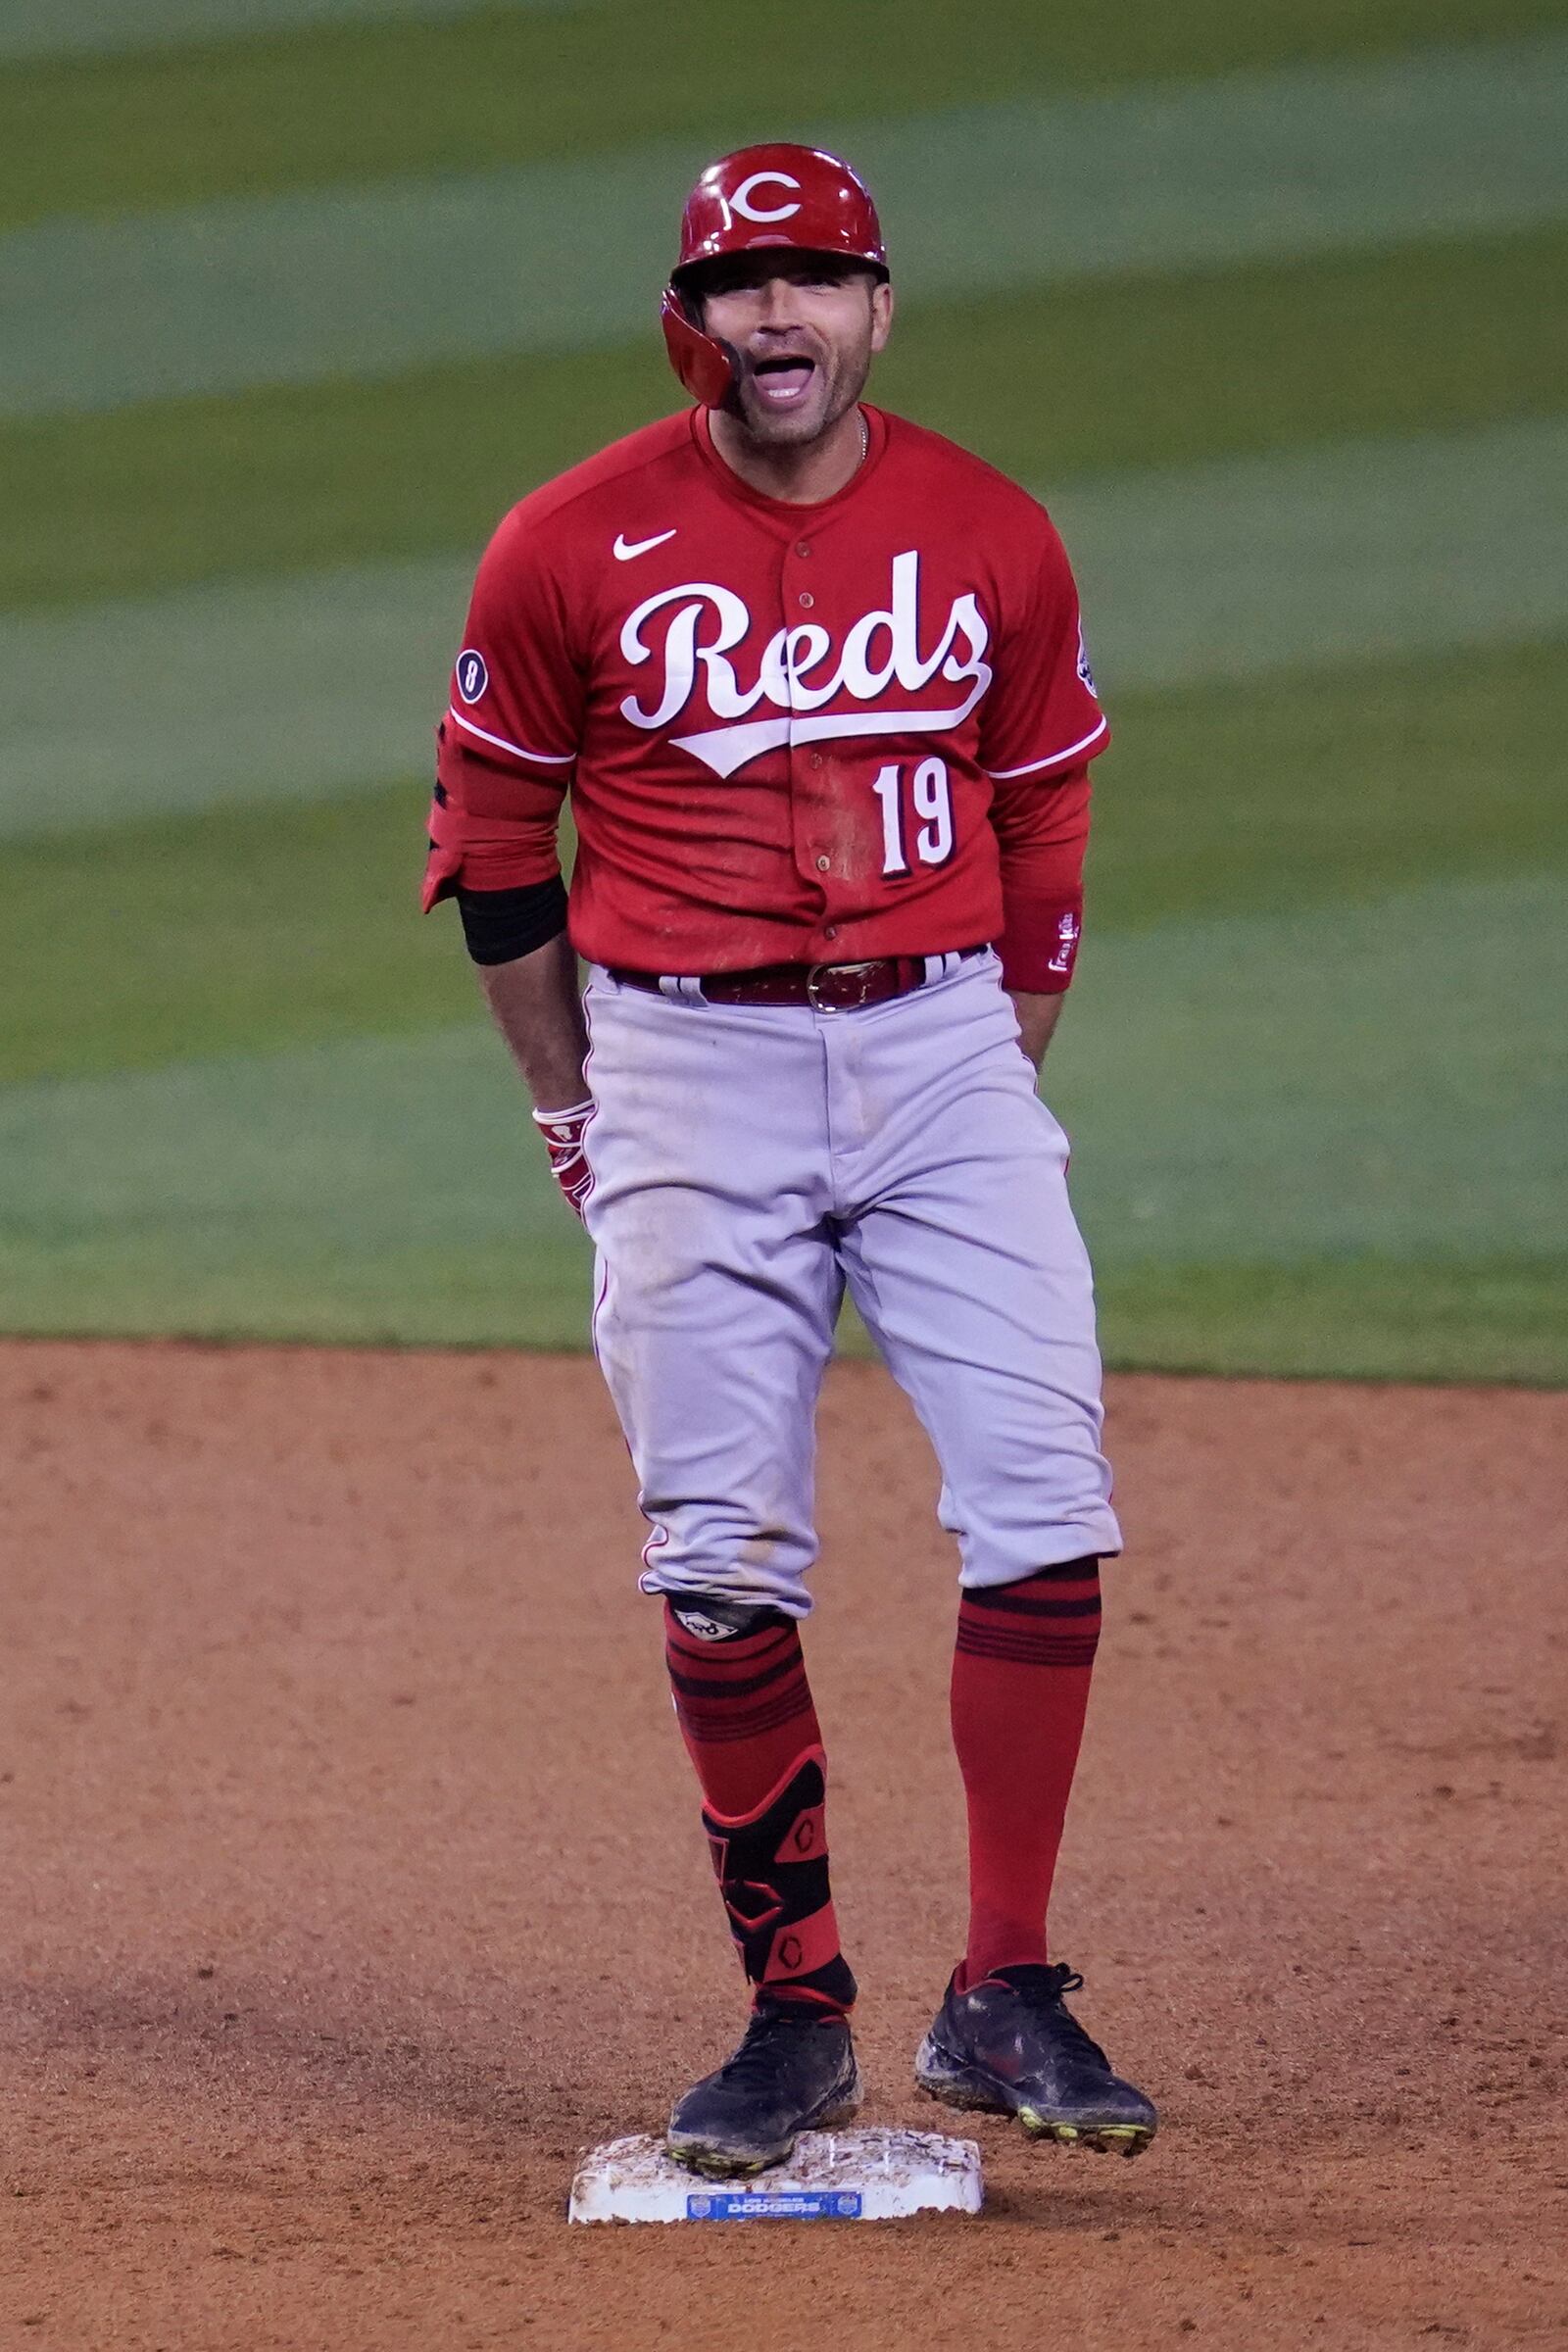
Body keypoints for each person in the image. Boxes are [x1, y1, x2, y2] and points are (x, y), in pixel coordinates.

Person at [422, 142, 1156, 2179]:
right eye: (739, 281)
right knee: (719, 1558)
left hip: (935, 1046)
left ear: (874, 306)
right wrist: (573, 1102)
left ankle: (1001, 1991)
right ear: (688, 312)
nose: (776, 316)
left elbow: (1043, 830)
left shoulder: (987, 533)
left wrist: (985, 1072)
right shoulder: (563, 547)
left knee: (1040, 1498)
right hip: (683, 1058)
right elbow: (494, 859)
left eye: (814, 277)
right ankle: (793, 2014)